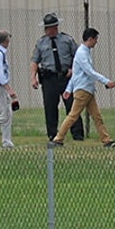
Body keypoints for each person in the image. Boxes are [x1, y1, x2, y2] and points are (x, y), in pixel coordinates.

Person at [51, 28, 115, 148]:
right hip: (83, 90)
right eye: (95, 39)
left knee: (97, 116)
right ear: (90, 39)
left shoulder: (84, 52)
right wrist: (106, 81)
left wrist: (68, 89)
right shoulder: (81, 53)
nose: (96, 42)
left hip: (88, 89)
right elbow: (89, 71)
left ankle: (106, 140)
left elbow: (75, 73)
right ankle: (58, 139)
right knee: (73, 115)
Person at [31, 13, 84, 142]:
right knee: (50, 107)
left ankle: (77, 134)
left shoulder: (67, 40)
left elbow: (78, 57)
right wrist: (33, 77)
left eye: (51, 27)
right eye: (47, 28)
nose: (49, 30)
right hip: (49, 78)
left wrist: (73, 70)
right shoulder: (41, 43)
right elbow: (34, 61)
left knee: (72, 106)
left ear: (56, 27)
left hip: (66, 78)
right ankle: (52, 135)